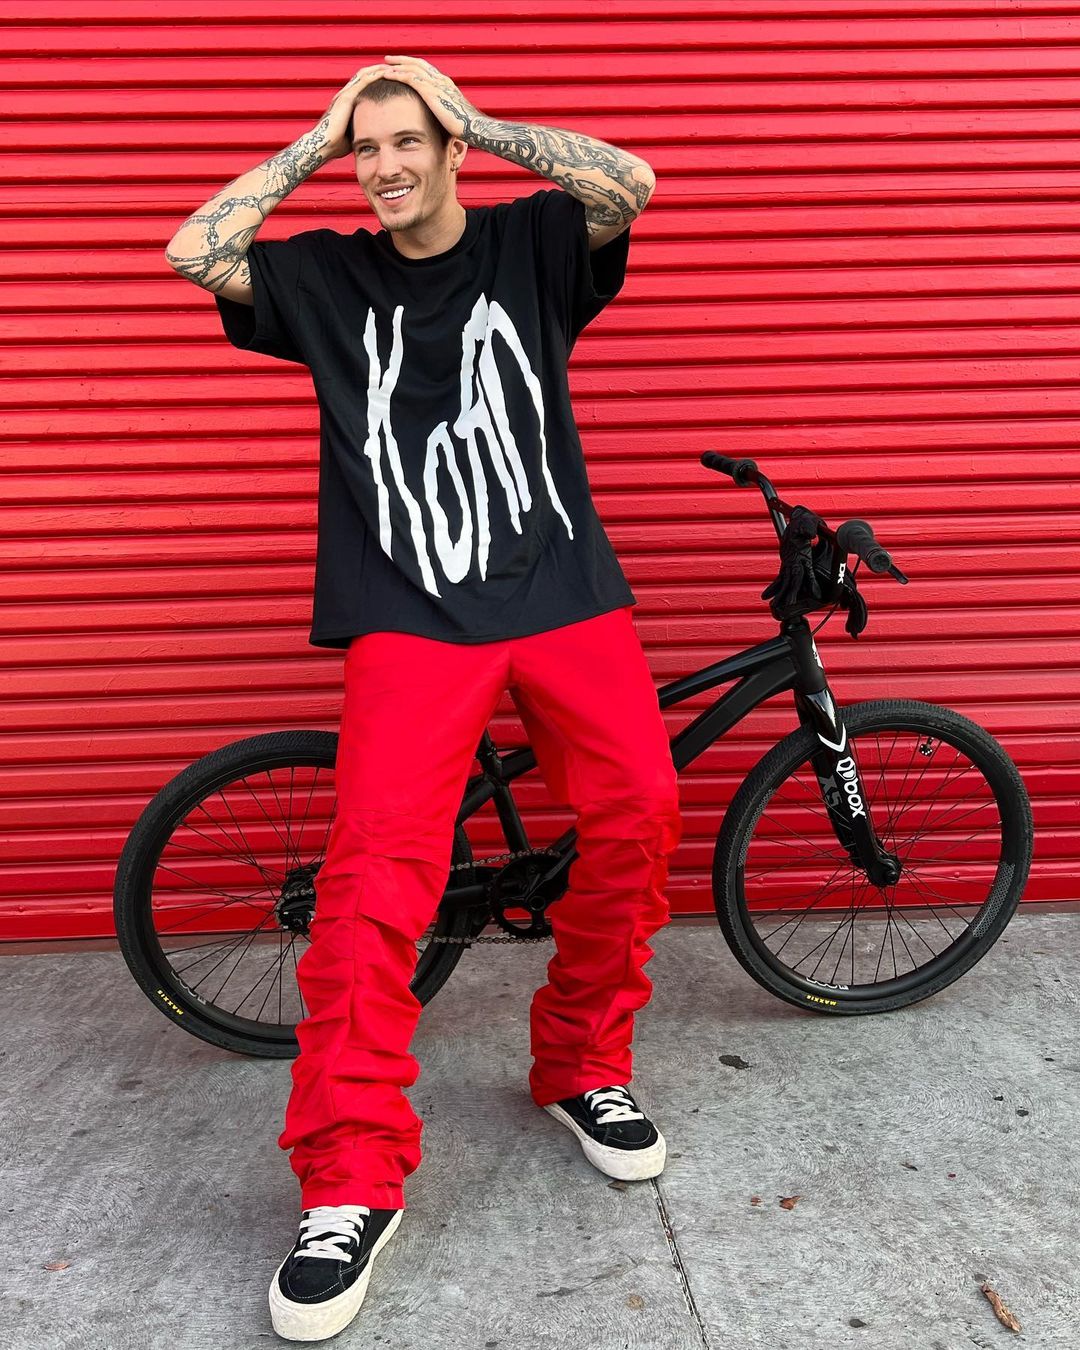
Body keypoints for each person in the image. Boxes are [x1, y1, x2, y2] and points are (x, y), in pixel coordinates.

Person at [165, 55, 682, 1343]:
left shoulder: (530, 243)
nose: (386, 165)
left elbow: (631, 181)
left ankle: (583, 1063)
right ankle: (349, 1178)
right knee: (372, 880)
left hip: (561, 588)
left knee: (639, 812)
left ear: (450, 149)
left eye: (408, 140)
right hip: (406, 611)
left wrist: (480, 118)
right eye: (369, 148)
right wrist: (314, 138)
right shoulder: (325, 275)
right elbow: (195, 249)